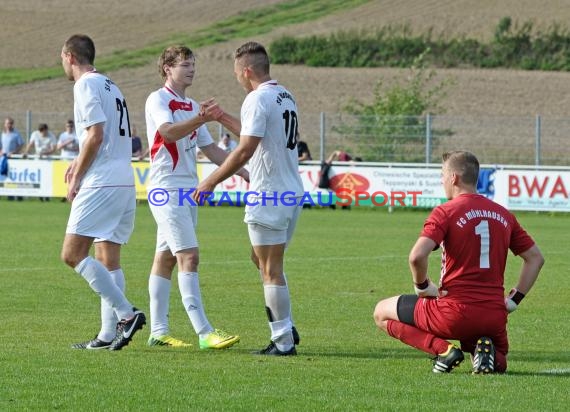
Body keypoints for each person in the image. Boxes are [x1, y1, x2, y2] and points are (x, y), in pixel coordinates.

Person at [373, 150, 544, 374]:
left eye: (442, 174)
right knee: (498, 360)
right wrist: (513, 301)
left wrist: (423, 287)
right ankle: (486, 355)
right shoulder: (504, 214)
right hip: (493, 315)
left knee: (380, 312)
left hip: (453, 313)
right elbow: (535, 258)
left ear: (453, 178)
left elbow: (417, 256)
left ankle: (444, 351)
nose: (441, 180)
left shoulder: (446, 212)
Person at [194, 41, 302, 356]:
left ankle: (282, 340)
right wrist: (221, 116)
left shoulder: (256, 98)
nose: (237, 80)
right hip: (290, 194)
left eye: (237, 74)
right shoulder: (285, 95)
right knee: (263, 261)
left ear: (247, 71)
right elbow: (256, 134)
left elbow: (245, 148)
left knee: (270, 269)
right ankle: (287, 327)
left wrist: (210, 181)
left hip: (268, 194)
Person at [144, 45, 247, 349]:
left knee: (164, 259)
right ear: (168, 68)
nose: (191, 69)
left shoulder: (190, 104)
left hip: (187, 191)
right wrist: (202, 119)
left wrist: (245, 173)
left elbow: (212, 150)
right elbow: (169, 133)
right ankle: (205, 333)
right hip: (167, 189)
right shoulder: (158, 99)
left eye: (193, 64)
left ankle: (158, 332)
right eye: (185, 65)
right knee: (189, 256)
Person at [59, 34, 146, 351]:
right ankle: (107, 335)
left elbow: (96, 135)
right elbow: (104, 137)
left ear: (69, 56)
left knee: (72, 255)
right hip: (124, 179)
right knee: (108, 258)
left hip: (103, 181)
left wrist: (77, 175)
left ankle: (126, 314)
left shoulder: (84, 85)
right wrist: (78, 158)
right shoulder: (112, 86)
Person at [1, 117, 25, 201]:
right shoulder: (3, 134)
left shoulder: (16, 134)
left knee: (16, 178)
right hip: (4, 159)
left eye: (10, 123)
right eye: (7, 123)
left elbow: (21, 144)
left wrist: (14, 152)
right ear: (5, 124)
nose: (9, 125)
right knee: (7, 177)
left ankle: (19, 196)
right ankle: (9, 195)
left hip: (14, 159)